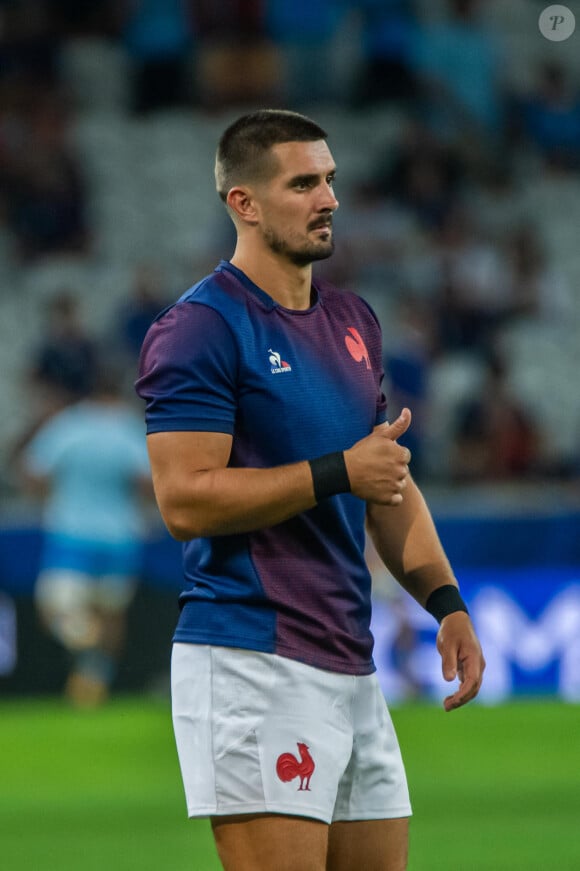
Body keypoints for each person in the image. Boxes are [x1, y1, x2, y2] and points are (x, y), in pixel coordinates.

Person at [136, 109, 485, 871]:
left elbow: (387, 477)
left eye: (329, 179)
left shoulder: (353, 319)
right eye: (303, 183)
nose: (328, 198)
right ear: (245, 203)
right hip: (252, 658)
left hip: (349, 660)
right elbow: (183, 499)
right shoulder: (201, 327)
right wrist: (338, 473)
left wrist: (447, 603)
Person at [20, 364, 152, 708]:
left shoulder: (69, 425)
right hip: (121, 536)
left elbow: (33, 472)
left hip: (72, 534)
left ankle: (82, 638)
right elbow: (146, 482)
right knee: (111, 615)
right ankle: (92, 685)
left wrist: (55, 494)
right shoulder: (129, 428)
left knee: (55, 612)